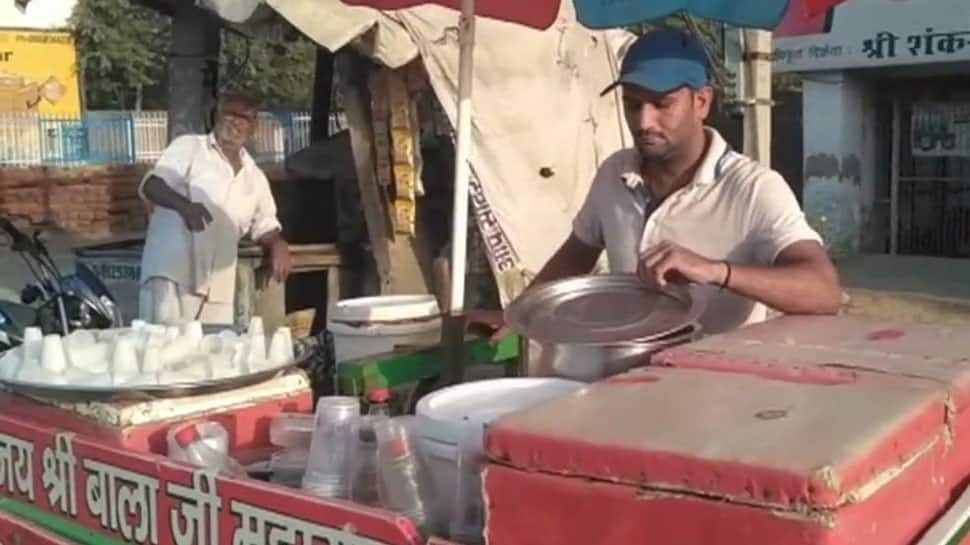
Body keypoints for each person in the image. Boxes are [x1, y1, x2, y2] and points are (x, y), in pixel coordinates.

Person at [470, 28, 841, 338]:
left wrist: (717, 271)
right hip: (624, 376)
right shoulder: (614, 174)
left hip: (719, 394)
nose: (644, 121)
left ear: (701, 102)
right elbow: (576, 252)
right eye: (633, 105)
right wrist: (519, 312)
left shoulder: (753, 188)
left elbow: (823, 291)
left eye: (661, 104)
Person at [137, 94, 291, 325]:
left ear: (253, 127)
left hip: (218, 286)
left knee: (213, 353)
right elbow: (152, 185)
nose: (235, 122)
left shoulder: (255, 177)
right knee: (164, 350)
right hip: (174, 274)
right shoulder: (189, 147)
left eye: (244, 118)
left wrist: (278, 244)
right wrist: (184, 206)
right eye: (230, 113)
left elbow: (265, 225)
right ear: (216, 117)